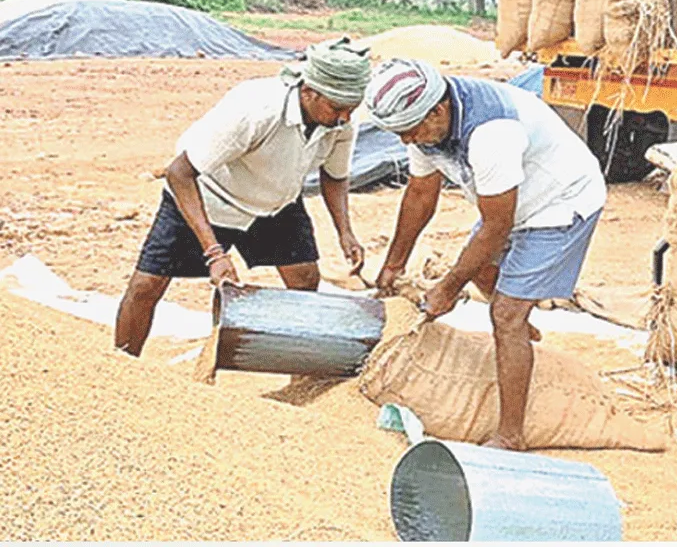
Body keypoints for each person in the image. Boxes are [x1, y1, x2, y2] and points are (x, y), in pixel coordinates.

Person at [366, 58, 605, 452]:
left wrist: (446, 287)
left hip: (560, 202)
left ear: (438, 111)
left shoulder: (491, 133)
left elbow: (496, 228)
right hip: (511, 199)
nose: (408, 141)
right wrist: (393, 265)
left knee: (504, 312)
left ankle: (511, 435)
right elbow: (421, 195)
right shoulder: (426, 124)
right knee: (484, 276)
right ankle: (519, 336)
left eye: (409, 132)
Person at [115, 38, 371, 356]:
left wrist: (345, 232)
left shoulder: (340, 122)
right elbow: (179, 173)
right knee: (146, 286)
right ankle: (121, 365)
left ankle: (301, 384)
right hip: (208, 197)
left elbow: (334, 175)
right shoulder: (256, 110)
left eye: (351, 109)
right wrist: (214, 253)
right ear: (309, 91)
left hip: (277, 204)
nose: (345, 117)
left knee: (305, 281)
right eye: (337, 108)